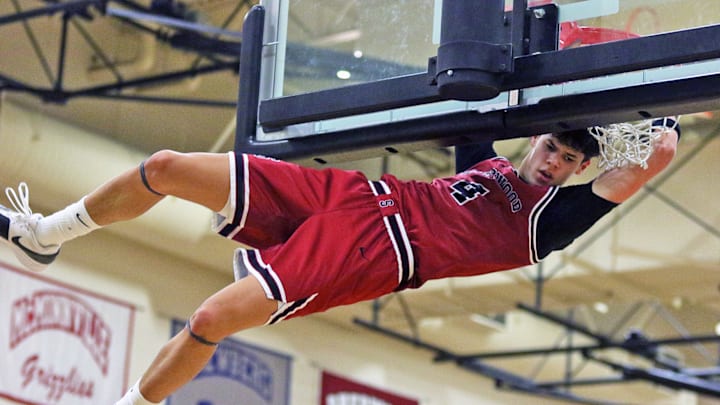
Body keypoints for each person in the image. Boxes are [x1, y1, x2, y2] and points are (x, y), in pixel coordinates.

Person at [0, 119, 679, 404]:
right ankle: (47, 234)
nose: (552, 158)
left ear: (582, 167)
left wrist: (655, 115)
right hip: (353, 195)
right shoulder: (491, 163)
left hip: (378, 250)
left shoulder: (551, 222)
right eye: (552, 144)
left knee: (210, 315)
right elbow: (477, 88)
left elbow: (659, 157)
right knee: (166, 166)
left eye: (568, 157)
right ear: (538, 136)